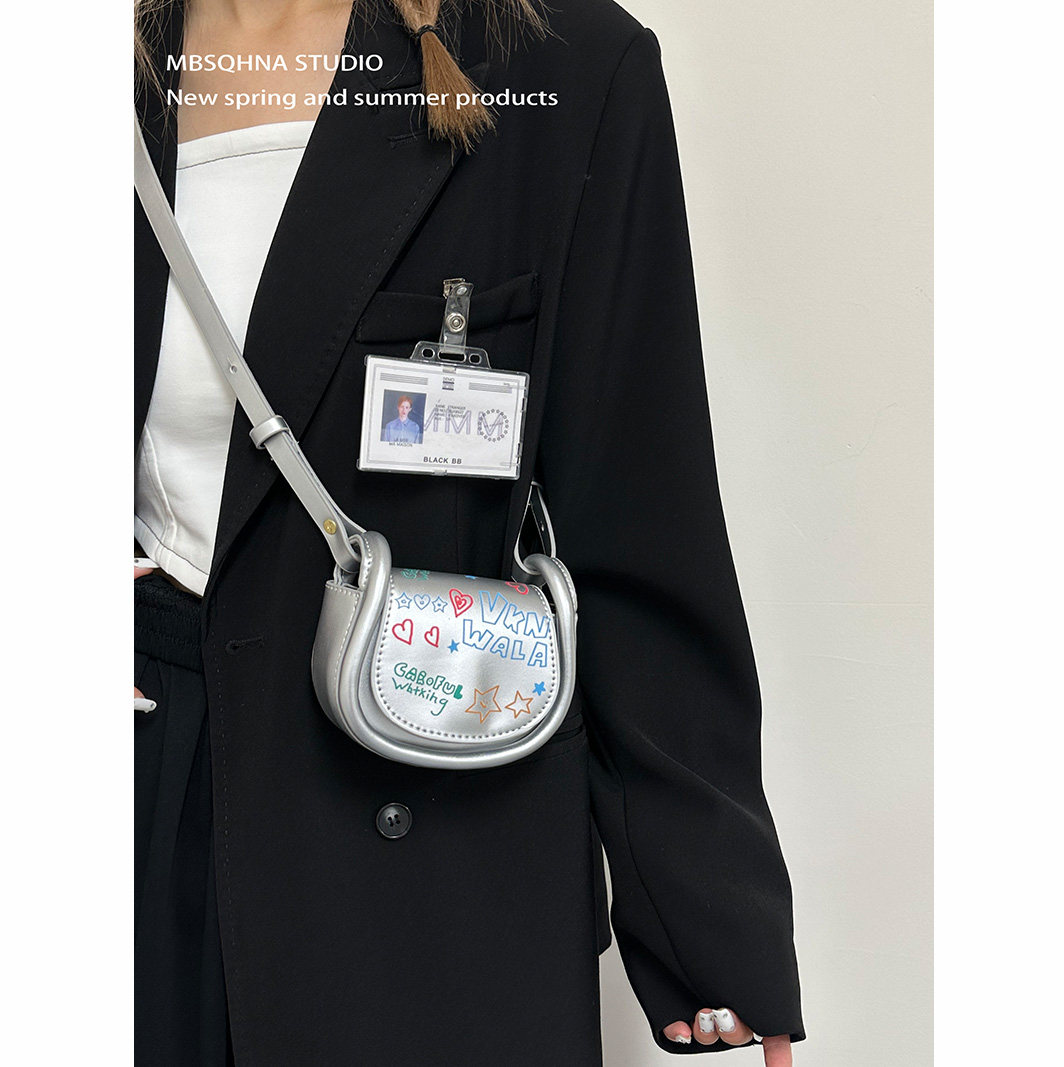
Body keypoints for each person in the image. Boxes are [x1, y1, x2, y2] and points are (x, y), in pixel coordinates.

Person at [134, 1, 805, 1064]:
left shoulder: (563, 65)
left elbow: (637, 504)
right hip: (143, 808)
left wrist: (710, 918)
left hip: (425, 855)